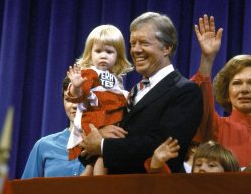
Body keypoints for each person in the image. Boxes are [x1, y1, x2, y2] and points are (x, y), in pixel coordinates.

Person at [78, 12, 203, 174]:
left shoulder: (185, 91)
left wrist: (103, 145)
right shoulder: (133, 92)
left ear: (166, 48)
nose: (136, 50)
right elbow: (96, 143)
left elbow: (165, 145)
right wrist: (100, 134)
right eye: (133, 43)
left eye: (143, 43)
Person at [191, 14, 251, 167]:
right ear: (227, 93)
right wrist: (207, 59)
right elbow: (199, 101)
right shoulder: (215, 128)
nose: (244, 89)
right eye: (237, 83)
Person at [65, 25, 132, 175]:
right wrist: (76, 86)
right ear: (90, 54)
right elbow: (78, 95)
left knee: (90, 166)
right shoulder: (90, 73)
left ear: (118, 56)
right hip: (95, 124)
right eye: (98, 51)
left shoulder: (116, 79)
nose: (103, 56)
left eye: (109, 52)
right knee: (103, 160)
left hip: (109, 124)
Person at [21, 76, 85, 178]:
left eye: (80, 99)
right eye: (68, 99)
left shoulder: (105, 149)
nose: (74, 105)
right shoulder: (43, 146)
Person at [145, 138, 240, 173]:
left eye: (211, 165)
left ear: (228, 172)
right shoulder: (186, 188)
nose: (202, 168)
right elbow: (166, 185)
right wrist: (157, 161)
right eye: (198, 164)